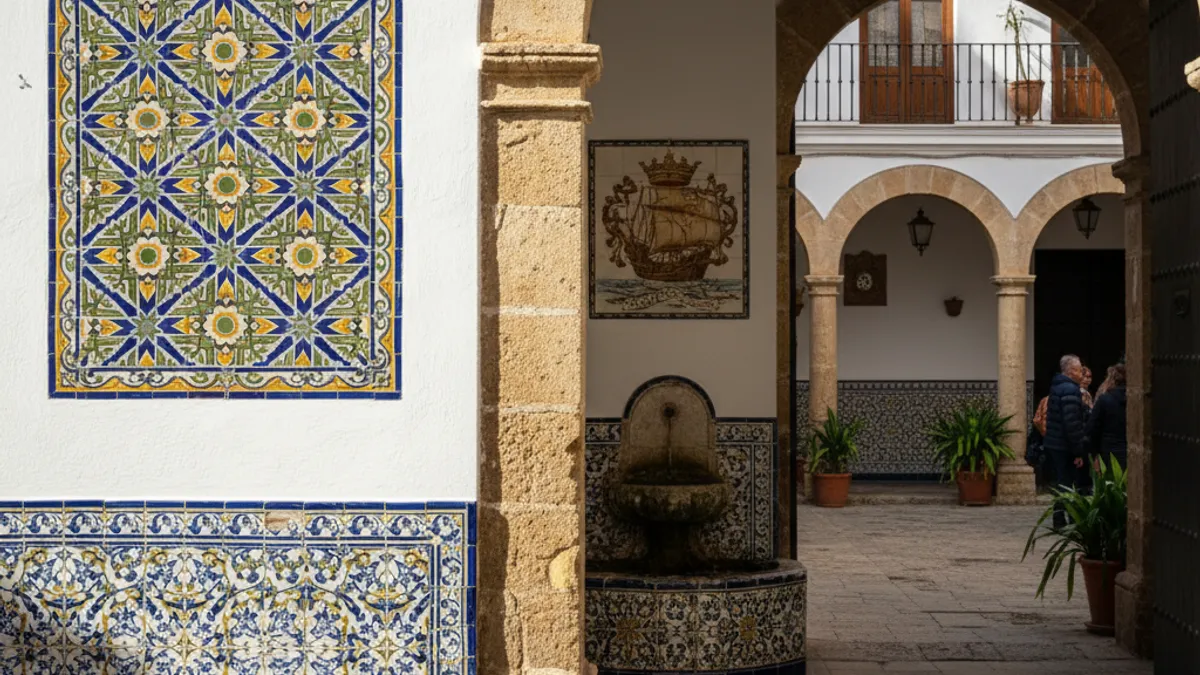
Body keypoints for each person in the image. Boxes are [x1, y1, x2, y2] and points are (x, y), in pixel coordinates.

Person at [1044, 354, 1090, 528]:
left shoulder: (1057, 387)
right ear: (1071, 371)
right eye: (1079, 370)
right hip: (1064, 445)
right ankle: (1070, 517)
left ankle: (1060, 518)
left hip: (1055, 443)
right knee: (1068, 483)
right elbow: (1072, 423)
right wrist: (1078, 451)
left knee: (1062, 481)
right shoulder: (1070, 390)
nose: (1082, 374)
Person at [1086, 364, 1128, 469]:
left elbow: (1092, 428)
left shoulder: (1105, 400)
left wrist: (1094, 453)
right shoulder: (1134, 400)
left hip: (1108, 453)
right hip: (1129, 450)